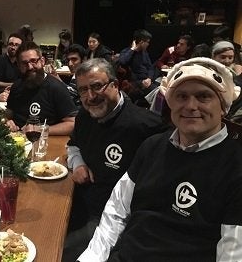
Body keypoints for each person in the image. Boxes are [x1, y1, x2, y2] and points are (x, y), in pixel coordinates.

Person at [78, 57, 242, 261]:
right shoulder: (152, 146)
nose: (191, 106)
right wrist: (92, 257)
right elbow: (117, 210)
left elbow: (233, 252)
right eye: (181, 96)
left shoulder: (236, 167)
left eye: (203, 96)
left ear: (224, 106)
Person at [62, 58, 167, 261]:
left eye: (97, 87)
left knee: (56, 250)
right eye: (83, 90)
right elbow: (73, 145)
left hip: (112, 218)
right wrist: (79, 164)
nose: (90, 96)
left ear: (115, 85)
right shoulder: (85, 115)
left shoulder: (147, 126)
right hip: (79, 199)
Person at [6, 41, 77, 135]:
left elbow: (72, 124)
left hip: (44, 143)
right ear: (18, 65)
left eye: (33, 61)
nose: (30, 67)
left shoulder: (56, 88)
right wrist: (7, 121)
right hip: (17, 140)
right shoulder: (16, 86)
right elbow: (9, 114)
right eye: (24, 63)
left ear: (42, 61)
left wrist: (41, 130)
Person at [118, 29, 157, 102]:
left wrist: (149, 78)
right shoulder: (127, 51)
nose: (148, 44)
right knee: (157, 93)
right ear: (141, 42)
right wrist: (133, 49)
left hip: (147, 81)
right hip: (135, 83)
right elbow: (122, 61)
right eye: (147, 42)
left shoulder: (144, 53)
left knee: (160, 89)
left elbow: (150, 68)